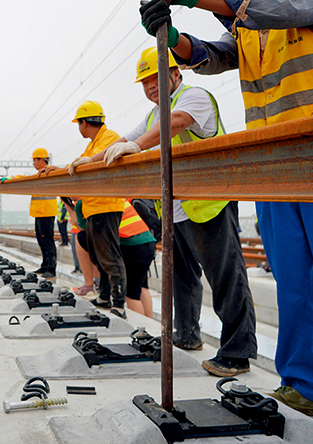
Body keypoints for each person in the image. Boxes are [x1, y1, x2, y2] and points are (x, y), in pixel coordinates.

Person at [141, 0, 313, 427]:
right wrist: (170, 35)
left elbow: (284, 10)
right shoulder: (247, 33)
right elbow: (209, 55)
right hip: (277, 173)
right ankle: (307, 385)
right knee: (294, 284)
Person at [103, 48, 257, 377]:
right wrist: (86, 161)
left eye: (156, 77)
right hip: (176, 210)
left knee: (227, 278)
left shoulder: (194, 97)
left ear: (175, 73)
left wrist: (137, 146)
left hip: (209, 202)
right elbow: (124, 139)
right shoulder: (152, 116)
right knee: (182, 279)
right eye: (144, 82)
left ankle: (237, 353)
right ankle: (186, 335)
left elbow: (177, 123)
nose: (150, 87)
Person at [62, 101, 127, 319]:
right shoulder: (92, 144)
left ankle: (119, 303)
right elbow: (80, 164)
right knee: (99, 258)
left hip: (105, 206)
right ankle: (104, 296)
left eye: (78, 123)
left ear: (84, 123)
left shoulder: (108, 138)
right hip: (93, 208)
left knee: (109, 257)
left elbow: (93, 163)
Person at [29, 148, 58, 277]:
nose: (33, 163)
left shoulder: (50, 172)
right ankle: (44, 265)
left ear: (41, 160)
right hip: (39, 212)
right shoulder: (39, 173)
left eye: (35, 160)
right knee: (41, 241)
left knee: (47, 241)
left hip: (47, 212)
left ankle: (51, 269)